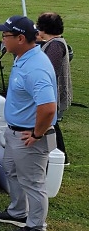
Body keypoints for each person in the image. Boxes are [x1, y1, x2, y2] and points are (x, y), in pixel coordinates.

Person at [0, 16, 57, 231]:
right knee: (12, 170)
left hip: (30, 136)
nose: (2, 40)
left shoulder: (36, 68)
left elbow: (48, 108)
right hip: (16, 131)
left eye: (5, 36)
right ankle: (17, 212)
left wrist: (37, 134)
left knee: (33, 181)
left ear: (20, 38)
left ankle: (37, 227)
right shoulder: (23, 58)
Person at [36, 12, 72, 164]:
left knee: (51, 125)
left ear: (44, 28)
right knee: (52, 124)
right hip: (52, 93)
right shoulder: (54, 43)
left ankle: (60, 156)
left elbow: (49, 70)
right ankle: (60, 156)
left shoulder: (55, 46)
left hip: (53, 93)